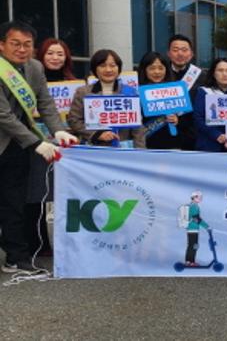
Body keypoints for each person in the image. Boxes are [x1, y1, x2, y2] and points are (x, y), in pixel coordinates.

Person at [0, 21, 78, 273]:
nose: (22, 50)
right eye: (15, 44)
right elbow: (3, 115)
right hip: (18, 137)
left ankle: (16, 256)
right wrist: (36, 142)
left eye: (27, 44)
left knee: (14, 201)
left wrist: (58, 130)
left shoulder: (35, 67)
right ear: (2, 45)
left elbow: (45, 104)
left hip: (16, 145)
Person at [68, 50, 146, 148]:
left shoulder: (130, 92)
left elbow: (138, 127)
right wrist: (96, 134)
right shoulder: (83, 92)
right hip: (94, 148)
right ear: (95, 69)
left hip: (124, 148)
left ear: (118, 68)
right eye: (102, 66)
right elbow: (74, 120)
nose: (108, 70)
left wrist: (140, 150)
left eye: (113, 65)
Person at [193, 57, 227, 153]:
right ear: (213, 73)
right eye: (220, 70)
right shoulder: (204, 92)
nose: (224, 74)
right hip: (208, 146)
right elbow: (198, 118)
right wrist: (216, 135)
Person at [138, 51, 183, 150]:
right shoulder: (136, 92)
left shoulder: (175, 91)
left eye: (161, 68)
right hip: (145, 144)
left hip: (172, 143)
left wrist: (177, 119)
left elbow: (185, 118)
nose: (157, 72)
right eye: (152, 68)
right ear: (144, 70)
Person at [166, 34, 202, 150]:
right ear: (168, 53)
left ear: (191, 54)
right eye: (175, 50)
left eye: (184, 50)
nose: (180, 54)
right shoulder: (161, 74)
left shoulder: (201, 76)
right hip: (165, 135)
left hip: (192, 136)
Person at [182, 190, 210, 267]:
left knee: (191, 245)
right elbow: (196, 218)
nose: (200, 199)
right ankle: (191, 262)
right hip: (193, 229)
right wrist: (206, 226)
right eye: (199, 197)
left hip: (191, 229)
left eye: (201, 197)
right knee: (194, 245)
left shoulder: (192, 205)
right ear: (194, 197)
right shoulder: (194, 206)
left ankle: (189, 261)